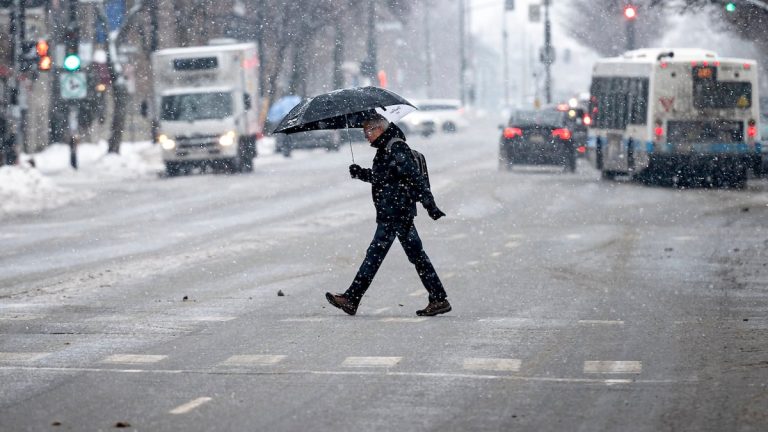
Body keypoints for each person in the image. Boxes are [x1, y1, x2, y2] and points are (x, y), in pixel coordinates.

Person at [325, 114, 451, 317]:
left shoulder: (395, 147)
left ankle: (352, 298)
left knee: (375, 255)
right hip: (394, 211)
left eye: (367, 131)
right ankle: (438, 298)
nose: (365, 135)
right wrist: (361, 173)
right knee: (416, 255)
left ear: (379, 129)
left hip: (396, 212)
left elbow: (413, 176)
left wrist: (430, 204)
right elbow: (384, 177)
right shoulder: (386, 148)